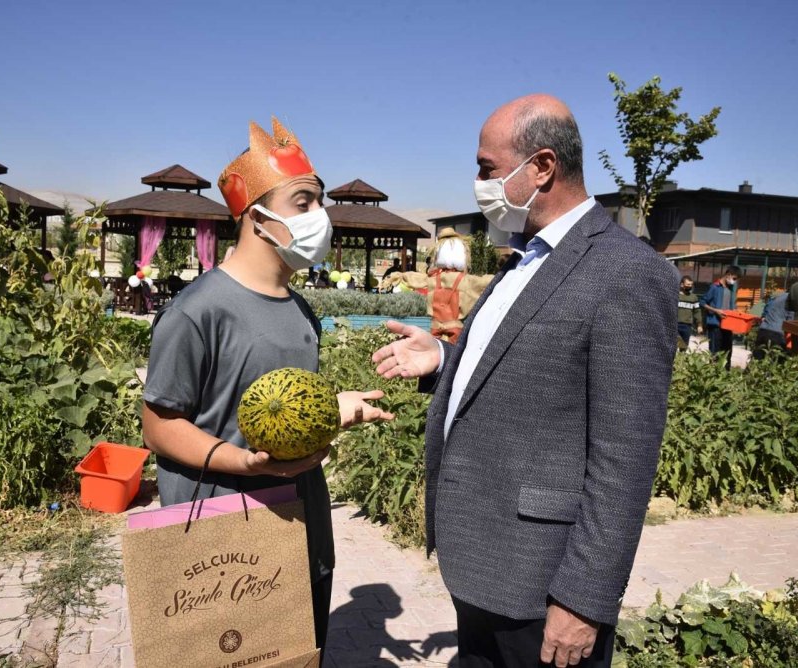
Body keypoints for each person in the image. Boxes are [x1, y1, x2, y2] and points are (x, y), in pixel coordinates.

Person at [371, 94, 677, 668]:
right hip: (485, 566)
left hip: (543, 585)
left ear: (541, 167)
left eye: (487, 168)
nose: (478, 181)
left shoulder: (626, 273)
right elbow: (520, 369)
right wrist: (442, 360)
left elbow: (625, 459)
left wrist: (583, 600)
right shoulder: (523, 260)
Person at [141, 117, 392, 662]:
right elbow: (158, 427)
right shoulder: (196, 311)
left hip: (300, 519)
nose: (318, 218)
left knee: (303, 652)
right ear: (256, 217)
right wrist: (242, 462)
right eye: (303, 202)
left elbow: (289, 410)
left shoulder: (301, 308)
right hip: (221, 533)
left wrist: (334, 409)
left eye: (319, 204)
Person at [700, 265, 742, 370]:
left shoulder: (731, 289)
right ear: (728, 275)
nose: (735, 281)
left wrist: (735, 312)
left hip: (728, 326)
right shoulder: (715, 287)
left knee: (727, 352)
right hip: (715, 325)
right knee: (715, 352)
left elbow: (731, 306)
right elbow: (702, 302)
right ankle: (712, 375)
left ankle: (725, 377)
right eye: (734, 278)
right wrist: (716, 311)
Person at [753, 290, 792, 360]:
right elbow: (791, 322)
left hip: (763, 329)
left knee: (757, 359)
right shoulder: (792, 300)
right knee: (776, 361)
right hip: (776, 333)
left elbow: (766, 310)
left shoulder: (779, 296)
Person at [677, 275, 703, 351]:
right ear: (682, 284)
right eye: (688, 284)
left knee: (684, 347)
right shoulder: (676, 296)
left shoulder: (693, 297)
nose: (690, 286)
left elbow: (697, 311)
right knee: (674, 345)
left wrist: (699, 325)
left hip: (687, 326)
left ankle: (681, 361)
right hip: (676, 325)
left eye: (691, 285)